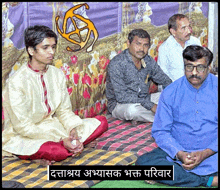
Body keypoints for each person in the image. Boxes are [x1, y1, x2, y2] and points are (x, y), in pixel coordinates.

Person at [2, 25, 108, 166]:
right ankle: (28, 153)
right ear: (31, 50)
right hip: (26, 134)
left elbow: (64, 111)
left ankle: (72, 144)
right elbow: (23, 127)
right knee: (58, 151)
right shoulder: (17, 82)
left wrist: (72, 130)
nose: (51, 52)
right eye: (45, 48)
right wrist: (61, 139)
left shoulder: (56, 74)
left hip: (54, 126)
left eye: (53, 47)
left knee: (101, 122)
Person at [136, 45, 218, 187]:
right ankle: (208, 180)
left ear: (209, 67)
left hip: (213, 152)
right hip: (179, 154)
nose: (194, 72)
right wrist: (180, 154)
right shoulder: (171, 92)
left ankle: (172, 177)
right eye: (189, 67)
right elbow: (160, 131)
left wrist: (205, 153)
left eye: (200, 68)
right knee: (143, 164)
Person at [106, 29, 172, 123]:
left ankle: (159, 115)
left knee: (167, 95)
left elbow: (165, 80)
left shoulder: (147, 60)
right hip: (121, 105)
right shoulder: (117, 64)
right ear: (128, 43)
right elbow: (122, 97)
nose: (142, 49)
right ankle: (169, 118)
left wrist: (178, 93)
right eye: (138, 44)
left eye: (145, 45)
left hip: (144, 99)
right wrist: (151, 106)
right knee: (133, 111)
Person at [157, 14, 201, 82]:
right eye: (183, 28)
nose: (189, 31)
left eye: (189, 27)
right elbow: (163, 76)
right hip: (175, 87)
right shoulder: (165, 48)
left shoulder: (195, 42)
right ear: (173, 32)